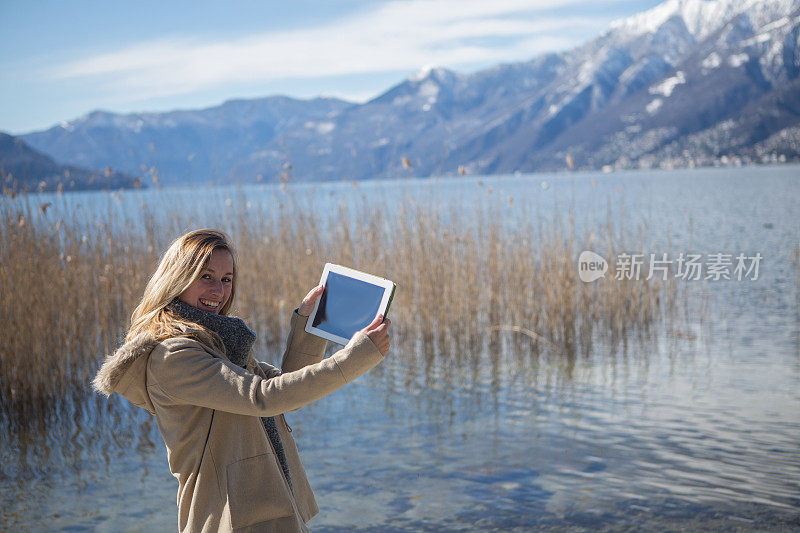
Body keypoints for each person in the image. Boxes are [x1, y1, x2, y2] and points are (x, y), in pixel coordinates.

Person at [92, 229, 390, 532]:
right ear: (177, 277)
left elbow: (286, 391)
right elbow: (263, 398)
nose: (218, 291)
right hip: (229, 519)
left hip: (268, 508)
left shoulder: (219, 343)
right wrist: (355, 358)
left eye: (226, 279)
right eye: (205, 276)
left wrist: (308, 325)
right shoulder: (173, 355)